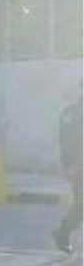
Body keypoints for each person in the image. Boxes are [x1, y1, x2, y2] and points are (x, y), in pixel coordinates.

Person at [52, 80, 84, 254]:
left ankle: (63, 231)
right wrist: (70, 165)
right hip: (79, 165)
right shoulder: (72, 113)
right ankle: (62, 231)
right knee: (82, 203)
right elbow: (66, 142)